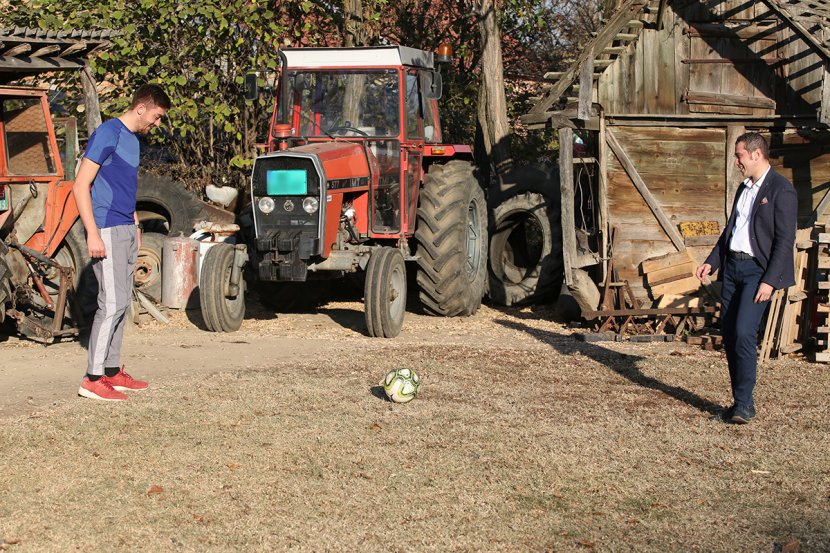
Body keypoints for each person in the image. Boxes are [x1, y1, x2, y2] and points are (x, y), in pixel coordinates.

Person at [73, 84, 171, 401]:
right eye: (156, 117)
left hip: (126, 226)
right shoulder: (108, 132)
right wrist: (91, 232)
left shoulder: (132, 140)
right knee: (111, 303)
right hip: (106, 228)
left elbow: (122, 185)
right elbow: (80, 185)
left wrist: (135, 221)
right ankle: (92, 378)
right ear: (141, 107)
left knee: (122, 303)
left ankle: (112, 372)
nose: (156, 123)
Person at [695, 132, 797, 424]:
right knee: (729, 335)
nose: (736, 161)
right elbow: (731, 232)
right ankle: (739, 402)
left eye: (739, 155)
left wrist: (770, 280)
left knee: (743, 332)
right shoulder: (744, 189)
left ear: (756, 155)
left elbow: (784, 241)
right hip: (733, 270)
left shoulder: (782, 190)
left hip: (758, 272)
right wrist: (712, 261)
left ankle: (744, 404)